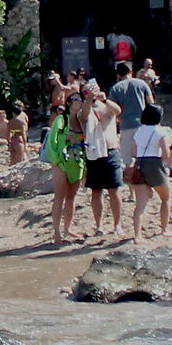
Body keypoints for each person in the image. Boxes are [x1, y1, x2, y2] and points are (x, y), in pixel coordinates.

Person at [41, 87, 84, 245]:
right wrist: (57, 159)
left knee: (72, 197)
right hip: (61, 160)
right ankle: (57, 232)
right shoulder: (62, 119)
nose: (78, 102)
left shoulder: (82, 121)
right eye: (75, 100)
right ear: (68, 103)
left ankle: (68, 228)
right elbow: (53, 140)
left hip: (77, 159)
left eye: (80, 100)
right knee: (59, 196)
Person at [80, 84, 122, 236]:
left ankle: (117, 224)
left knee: (114, 190)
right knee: (96, 191)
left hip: (111, 151)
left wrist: (104, 100)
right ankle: (99, 225)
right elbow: (83, 116)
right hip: (94, 153)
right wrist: (90, 99)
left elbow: (117, 111)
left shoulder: (107, 106)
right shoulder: (85, 109)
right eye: (86, 91)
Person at [129, 103, 172, 240]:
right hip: (154, 164)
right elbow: (166, 154)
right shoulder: (160, 132)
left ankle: (137, 235)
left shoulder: (139, 131)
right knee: (165, 198)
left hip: (140, 164)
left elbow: (133, 152)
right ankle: (164, 229)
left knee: (140, 205)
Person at [108, 61, 152, 137]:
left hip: (125, 126)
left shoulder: (114, 89)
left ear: (118, 74)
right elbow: (151, 103)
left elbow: (114, 110)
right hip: (142, 124)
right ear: (131, 71)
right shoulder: (142, 84)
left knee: (128, 149)